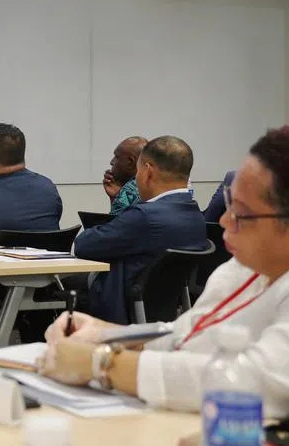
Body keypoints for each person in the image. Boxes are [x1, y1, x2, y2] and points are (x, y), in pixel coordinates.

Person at [41, 124, 289, 425]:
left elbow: (246, 386)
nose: (224, 222)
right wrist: (108, 334)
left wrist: (102, 363)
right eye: (229, 203)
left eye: (242, 214)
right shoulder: (262, 261)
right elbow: (190, 335)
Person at [74, 135, 207, 324]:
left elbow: (83, 245)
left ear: (147, 171)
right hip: (162, 314)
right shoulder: (196, 217)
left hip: (120, 312)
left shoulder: (144, 216)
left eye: (137, 171)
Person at [103, 136, 147, 215]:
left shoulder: (130, 189)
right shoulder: (158, 183)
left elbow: (114, 225)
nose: (112, 162)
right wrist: (116, 197)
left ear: (130, 161)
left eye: (117, 157)